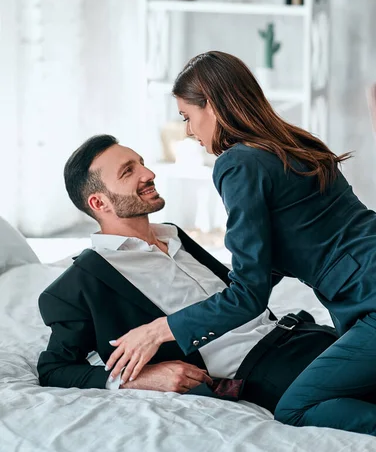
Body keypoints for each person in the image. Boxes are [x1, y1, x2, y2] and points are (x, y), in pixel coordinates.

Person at [109, 52, 376, 448]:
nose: (188, 132)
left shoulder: (236, 164)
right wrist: (217, 294)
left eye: (186, 116)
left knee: (296, 408)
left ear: (211, 106)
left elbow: (250, 294)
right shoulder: (291, 141)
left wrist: (157, 330)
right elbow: (298, 239)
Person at [37, 134, 335, 413]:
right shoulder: (81, 282)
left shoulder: (173, 234)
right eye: (128, 171)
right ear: (99, 203)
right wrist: (142, 378)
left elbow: (242, 288)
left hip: (300, 332)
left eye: (141, 162)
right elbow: (55, 369)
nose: (148, 173)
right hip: (262, 367)